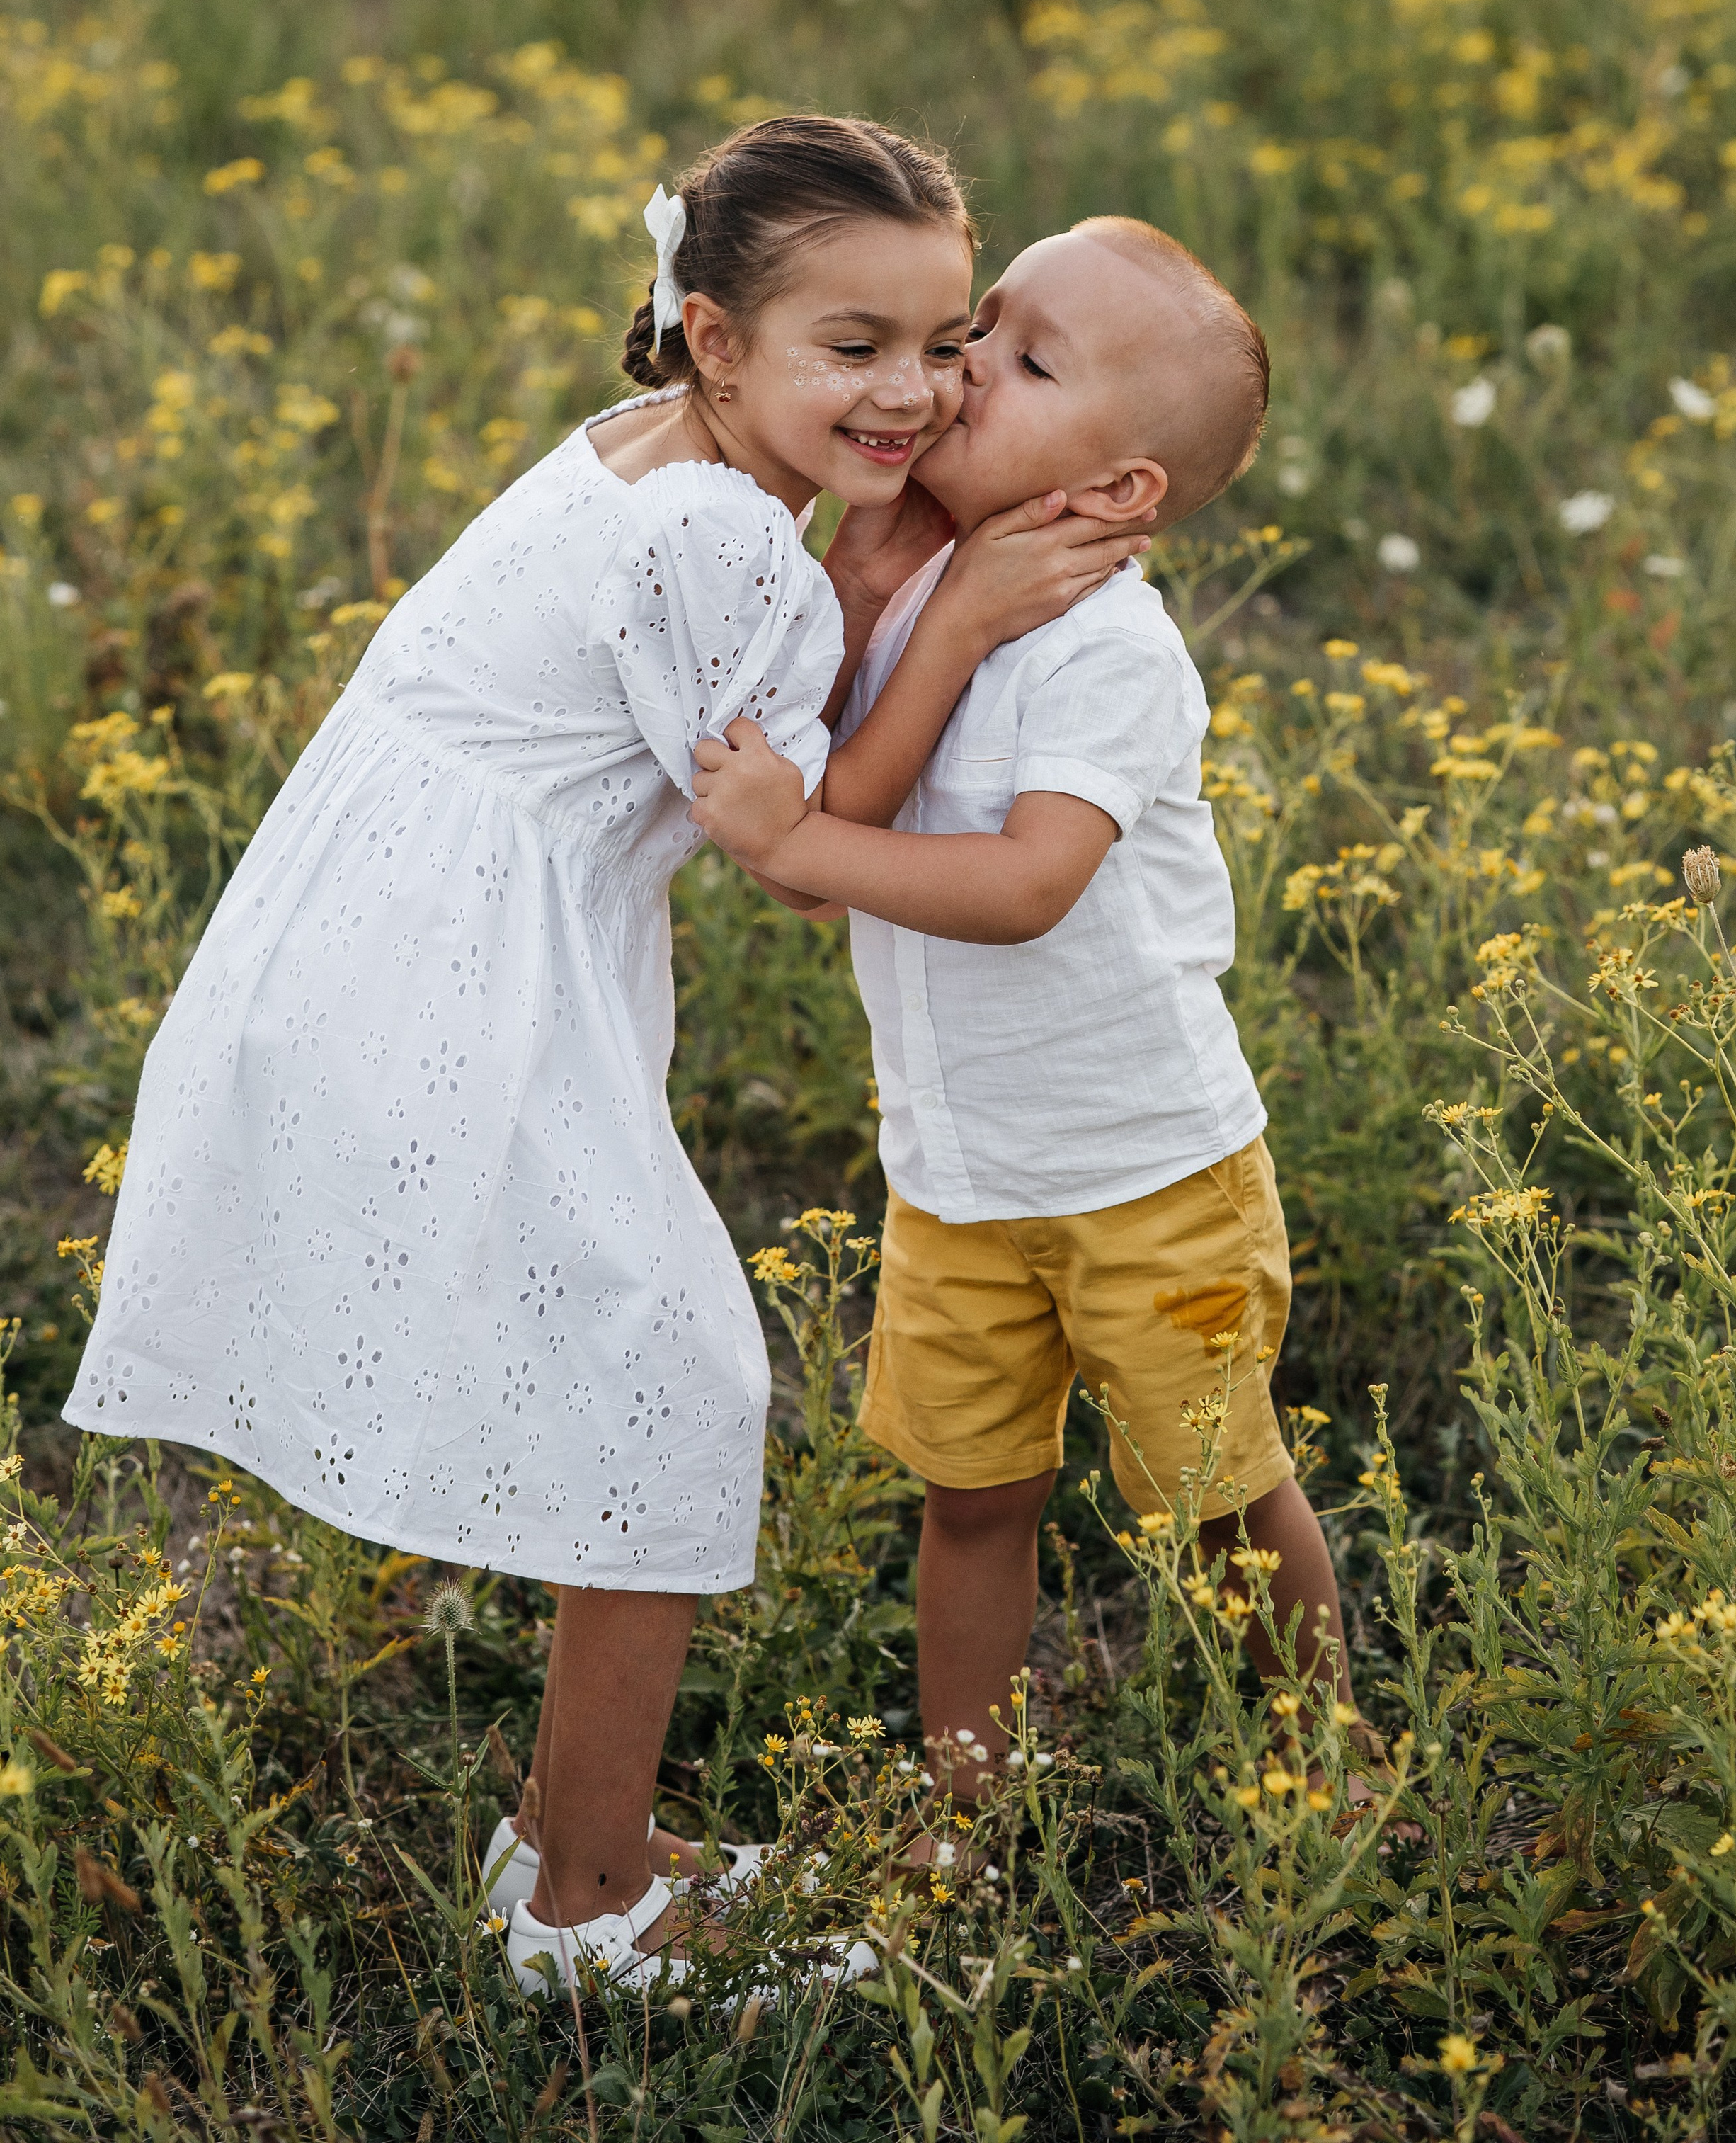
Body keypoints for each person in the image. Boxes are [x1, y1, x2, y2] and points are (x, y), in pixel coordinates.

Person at [65, 120, 1150, 1991]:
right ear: (715, 337)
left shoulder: (654, 450)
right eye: (852, 347)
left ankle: (584, 1847)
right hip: (441, 986)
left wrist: (872, 567)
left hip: (390, 942)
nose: (911, 392)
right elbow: (796, 854)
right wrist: (958, 610)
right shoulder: (720, 540)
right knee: (667, 1382)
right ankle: (588, 1915)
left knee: (630, 1370)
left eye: (941, 339)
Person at [689, 215, 1357, 1812]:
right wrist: (873, 614)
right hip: (958, 1176)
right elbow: (829, 825)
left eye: (1026, 358)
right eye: (978, 324)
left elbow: (1026, 883)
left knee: (1216, 1492)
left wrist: (799, 843)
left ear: (1119, 492)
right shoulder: (915, 590)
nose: (964, 362)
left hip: (1148, 1172)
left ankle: (1321, 1772)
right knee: (971, 1499)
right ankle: (963, 1807)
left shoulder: (1110, 648)